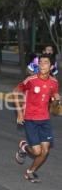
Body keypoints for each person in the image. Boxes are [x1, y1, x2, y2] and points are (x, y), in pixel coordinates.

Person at [14, 54, 60, 183]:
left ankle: (30, 171)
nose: (42, 65)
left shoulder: (54, 82)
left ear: (51, 67)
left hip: (44, 120)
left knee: (44, 152)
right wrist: (19, 113)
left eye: (45, 63)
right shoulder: (31, 80)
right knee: (36, 151)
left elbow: (54, 103)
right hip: (30, 119)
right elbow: (15, 92)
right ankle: (24, 146)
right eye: (40, 62)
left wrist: (57, 100)